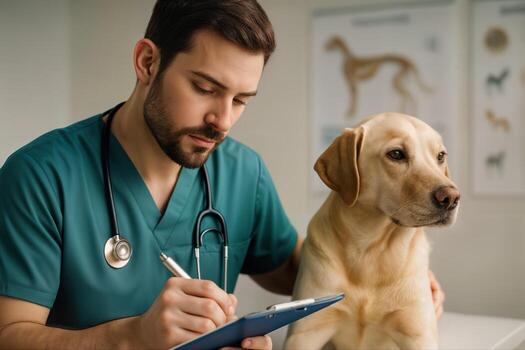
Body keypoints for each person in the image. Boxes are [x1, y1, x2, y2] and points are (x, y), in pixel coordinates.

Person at [0, 1, 444, 349]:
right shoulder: (40, 176)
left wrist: (397, 282)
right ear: (147, 62)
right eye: (205, 89)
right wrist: (132, 339)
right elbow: (9, 335)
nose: (222, 120)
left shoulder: (241, 172)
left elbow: (300, 270)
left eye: (241, 100)